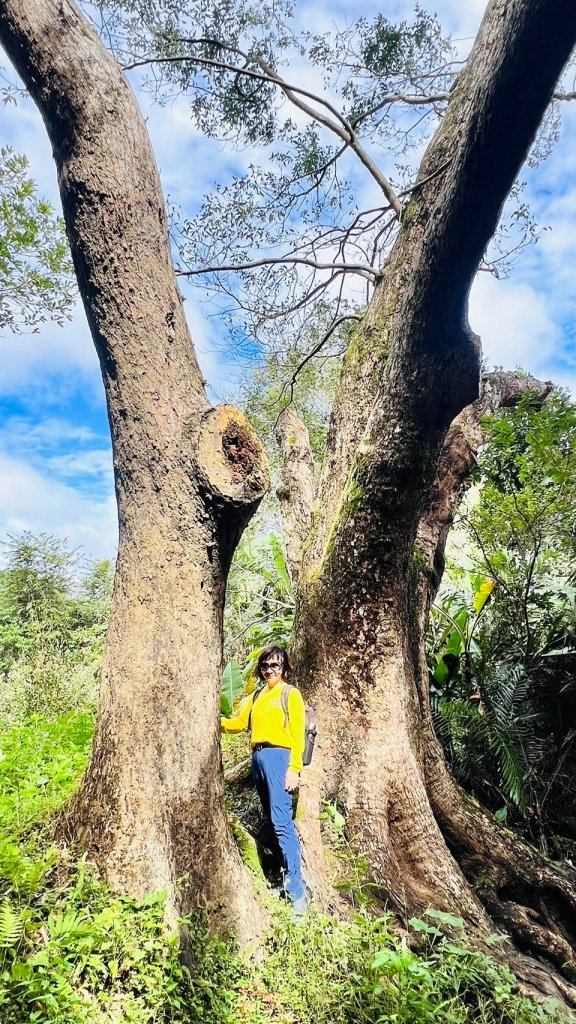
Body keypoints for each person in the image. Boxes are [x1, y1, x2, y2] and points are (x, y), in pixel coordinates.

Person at [221, 644, 308, 916]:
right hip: (258, 758)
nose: (270, 670)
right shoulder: (257, 695)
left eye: (275, 665)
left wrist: (294, 769)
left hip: (279, 757)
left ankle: (298, 894)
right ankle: (283, 880)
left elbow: (298, 735)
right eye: (265, 665)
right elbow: (239, 723)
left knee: (282, 823)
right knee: (272, 821)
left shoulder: (290, 694)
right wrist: (216, 721)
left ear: (284, 668)